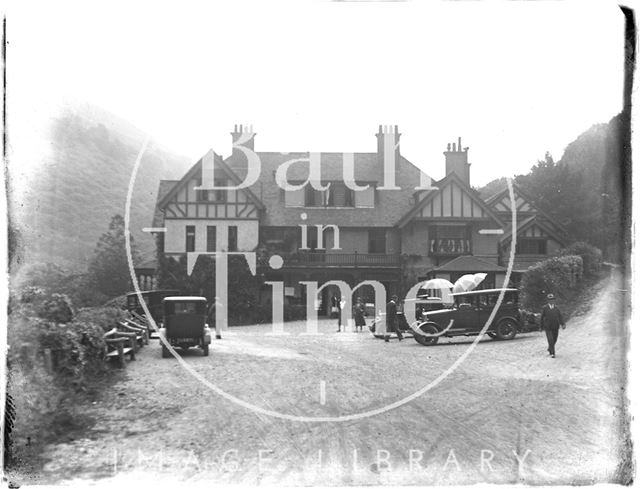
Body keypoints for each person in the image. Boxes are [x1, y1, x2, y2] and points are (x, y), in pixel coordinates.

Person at [540, 293, 565, 358]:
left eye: (552, 300)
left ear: (554, 300)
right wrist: (541, 326)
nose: (551, 301)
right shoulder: (545, 308)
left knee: (555, 339)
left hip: (555, 326)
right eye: (550, 300)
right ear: (548, 301)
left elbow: (560, 316)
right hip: (548, 327)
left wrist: (562, 324)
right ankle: (552, 353)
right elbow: (542, 317)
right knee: (550, 339)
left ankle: (550, 348)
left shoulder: (556, 308)